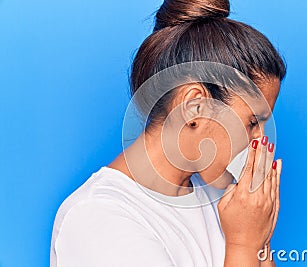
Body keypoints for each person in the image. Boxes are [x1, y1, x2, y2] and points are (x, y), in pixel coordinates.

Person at [50, 0, 286, 266]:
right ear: (195, 107)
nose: (261, 141)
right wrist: (244, 245)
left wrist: (260, 239)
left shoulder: (225, 204)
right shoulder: (96, 218)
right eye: (253, 122)